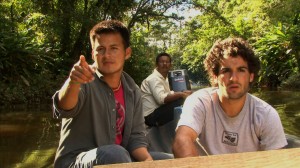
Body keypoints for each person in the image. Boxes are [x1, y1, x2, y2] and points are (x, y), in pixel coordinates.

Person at [52, 20, 172, 168]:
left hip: (121, 158)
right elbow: (64, 107)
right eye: (100, 49)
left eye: (114, 48)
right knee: (115, 153)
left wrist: (148, 163)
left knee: (171, 160)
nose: (107, 55)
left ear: (127, 53)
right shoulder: (83, 78)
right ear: (93, 53)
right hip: (75, 161)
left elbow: (136, 138)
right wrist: (73, 82)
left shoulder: (132, 89)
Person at [172, 37, 287, 157]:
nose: (234, 78)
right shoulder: (200, 102)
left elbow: (278, 159)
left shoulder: (266, 114)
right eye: (226, 71)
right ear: (215, 76)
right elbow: (181, 141)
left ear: (251, 76)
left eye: (241, 70)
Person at [140, 52, 192, 127]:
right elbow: (161, 99)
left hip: (159, 112)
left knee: (186, 98)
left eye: (167, 62)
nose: (164, 64)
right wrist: (181, 94)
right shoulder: (153, 79)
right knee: (182, 100)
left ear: (170, 65)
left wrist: (184, 93)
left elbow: (170, 94)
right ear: (156, 64)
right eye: (162, 62)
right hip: (150, 117)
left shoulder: (166, 79)